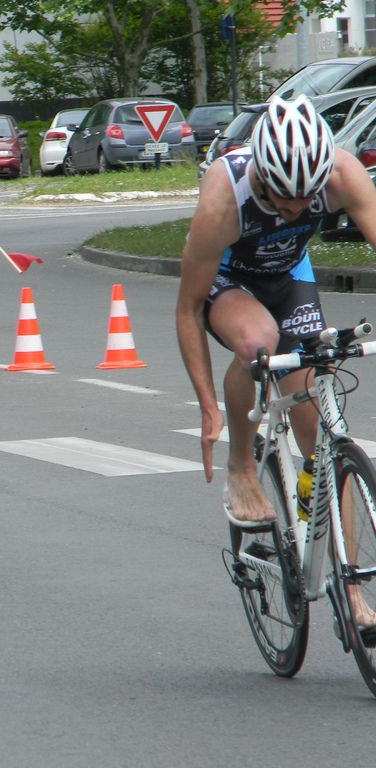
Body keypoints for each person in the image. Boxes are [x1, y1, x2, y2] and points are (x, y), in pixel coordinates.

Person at [176, 95, 376, 564]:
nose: (295, 208)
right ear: (261, 176)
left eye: (307, 197)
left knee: (321, 435)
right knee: (258, 342)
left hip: (289, 277)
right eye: (282, 196)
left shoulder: (344, 175)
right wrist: (208, 407)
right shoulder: (223, 199)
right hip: (229, 280)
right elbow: (187, 310)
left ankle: (349, 596)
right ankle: (242, 465)